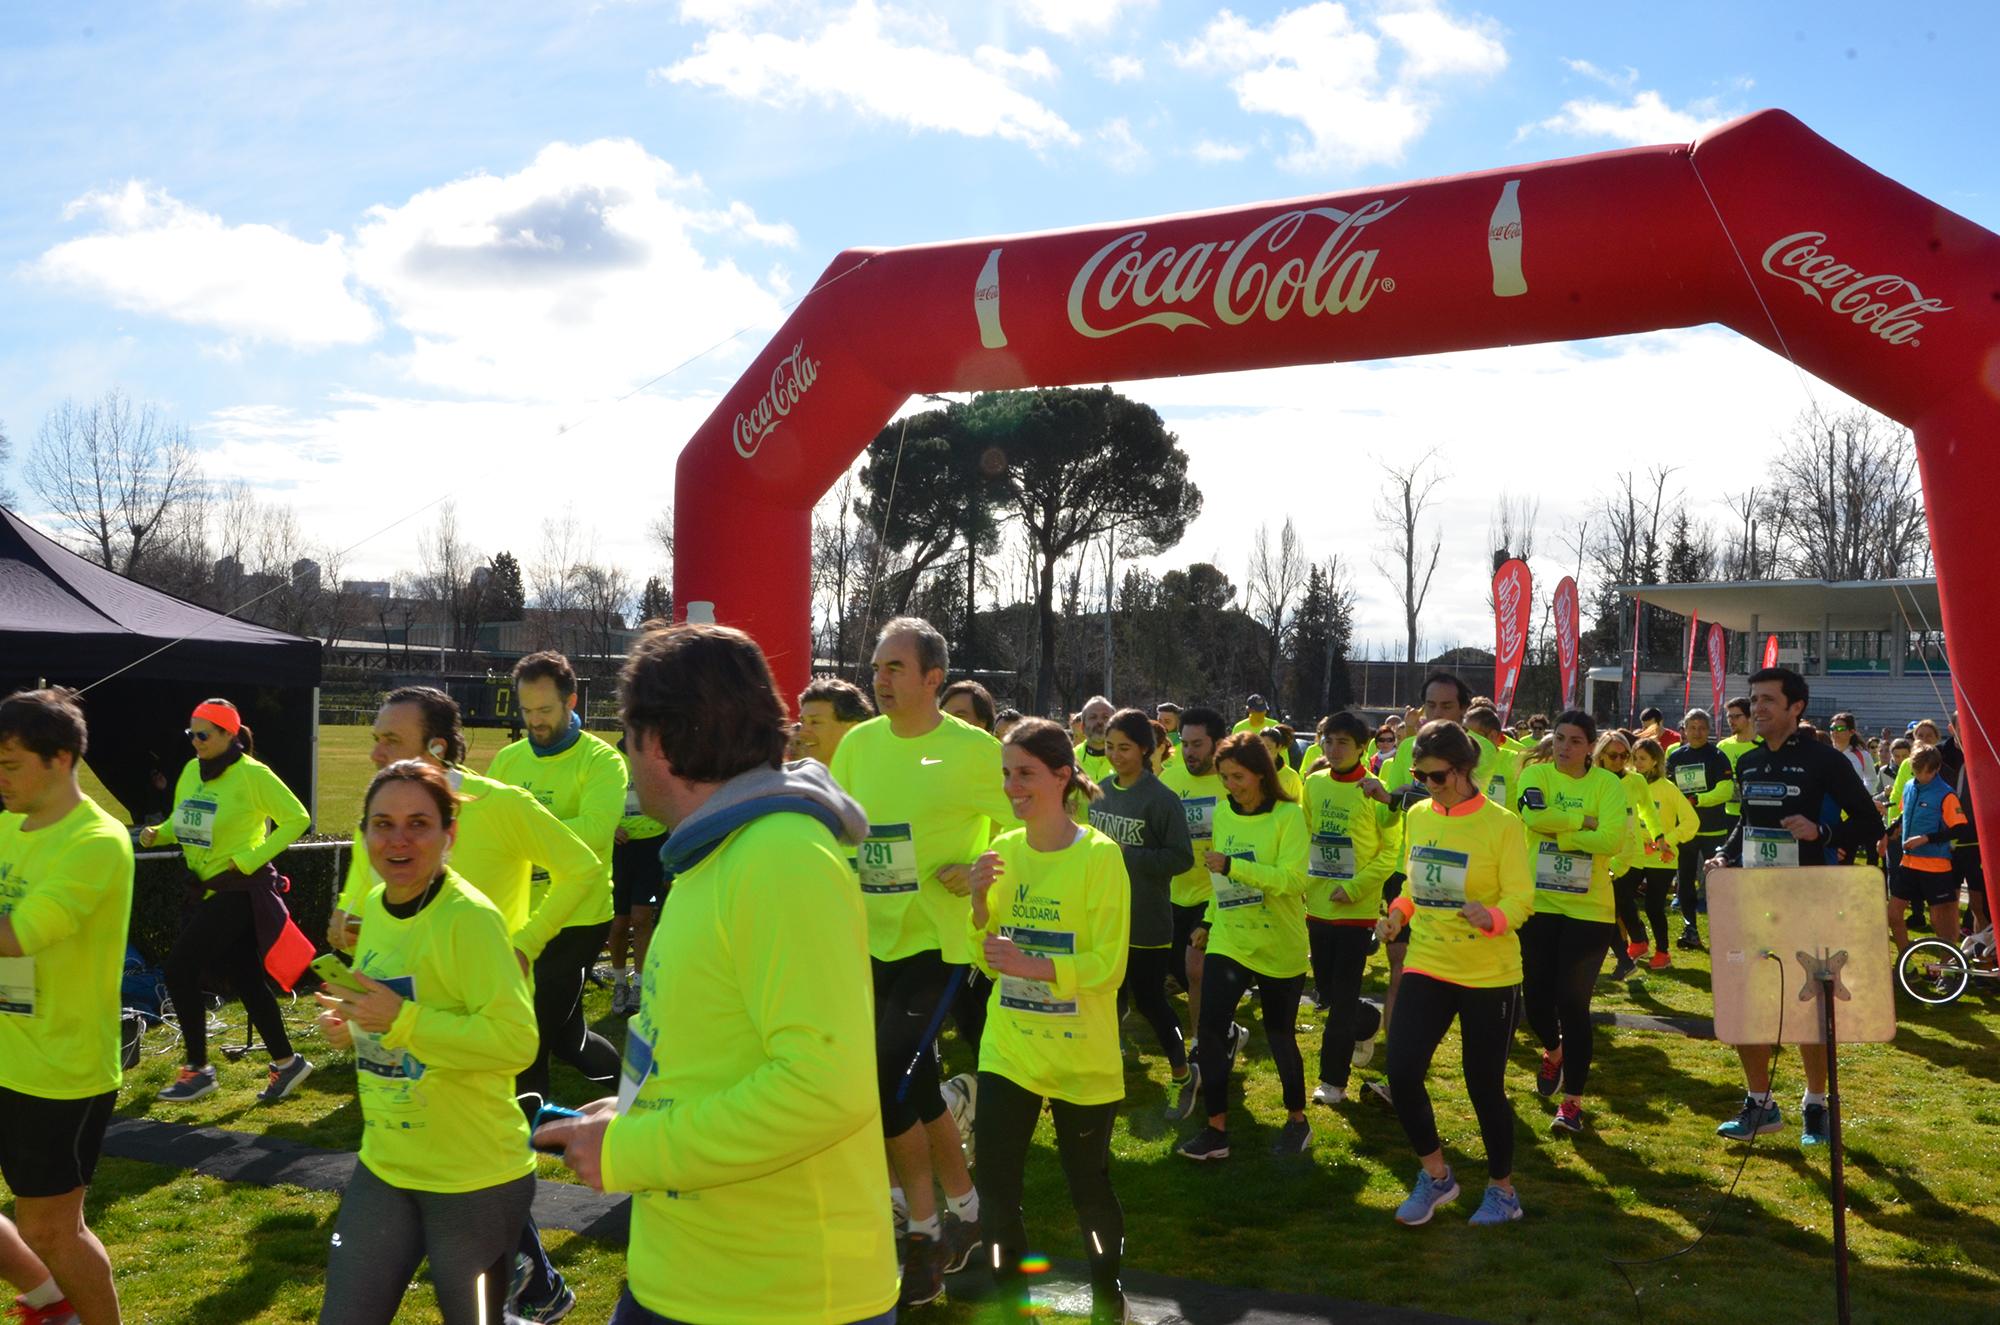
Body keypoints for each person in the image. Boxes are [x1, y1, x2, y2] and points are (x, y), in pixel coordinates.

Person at [533, 623, 897, 1325]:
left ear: (659, 742)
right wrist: (634, 1111)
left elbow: (823, 1086)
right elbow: (711, 1048)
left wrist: (634, 1146)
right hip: (690, 1277)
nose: (626, 758)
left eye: (626, 737)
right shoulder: (717, 853)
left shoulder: (779, 856)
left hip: (778, 1299)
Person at [324, 685, 606, 1320]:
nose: (374, 751)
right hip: (392, 1150)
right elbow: (365, 918)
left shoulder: (499, 813)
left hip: (486, 1035)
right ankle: (533, 1278)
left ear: (438, 749)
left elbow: (585, 869)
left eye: (389, 739)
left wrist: (524, 943)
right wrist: (354, 1019)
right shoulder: (387, 855)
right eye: (383, 826)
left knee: (500, 1119)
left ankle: (526, 1273)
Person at [828, 617, 1011, 1305]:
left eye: (895, 668)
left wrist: (984, 864)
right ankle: (967, 1207)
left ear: (934, 678)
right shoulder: (859, 746)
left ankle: (924, 1233)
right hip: (869, 939)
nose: (880, 678)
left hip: (938, 941)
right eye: (876, 666)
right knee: (918, 1080)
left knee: (888, 1079)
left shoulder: (971, 750)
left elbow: (1030, 815)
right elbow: (840, 829)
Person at [316, 760, 538, 1324]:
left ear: (450, 834)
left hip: (475, 1178)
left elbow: (517, 1042)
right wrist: (355, 1025)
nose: (398, 840)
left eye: (419, 823)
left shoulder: (471, 920)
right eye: (382, 823)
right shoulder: (372, 907)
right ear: (363, 832)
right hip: (386, 1166)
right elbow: (392, 1013)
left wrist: (404, 1020)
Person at [969, 720, 1132, 1325]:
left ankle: (1105, 1293)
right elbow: (982, 954)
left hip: (1080, 1052)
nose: (1013, 786)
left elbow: (1108, 967)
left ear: (1062, 777)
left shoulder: (1099, 856)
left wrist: (1033, 964)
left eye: (1026, 773)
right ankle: (1014, 1306)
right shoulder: (1003, 851)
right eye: (1007, 774)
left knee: (1087, 1185)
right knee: (996, 1190)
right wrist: (980, 904)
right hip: (1009, 1046)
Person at [0, 688, 133, 1325]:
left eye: (10, 764)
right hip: (4, 1049)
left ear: (60, 759)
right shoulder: (5, 825)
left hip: (58, 1068)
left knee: (53, 1228)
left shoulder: (97, 841)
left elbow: (15, 938)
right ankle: (53, 1301)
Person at [1712, 666, 1884, 1146]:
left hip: (1808, 900)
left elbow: (1870, 822)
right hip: (1752, 900)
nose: (1758, 708)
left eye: (1768, 700)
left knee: (1808, 1007)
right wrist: (1724, 853)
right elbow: (1746, 823)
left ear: (1796, 707)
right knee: (1744, 1004)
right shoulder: (1746, 762)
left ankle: (1815, 1105)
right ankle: (1760, 1104)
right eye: (1754, 699)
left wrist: (1822, 832)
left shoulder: (1824, 760)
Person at [1374, 720, 1532, 1228]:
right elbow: (1412, 883)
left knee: (1483, 1084)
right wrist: (1398, 912)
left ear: (1465, 770)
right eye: (1420, 777)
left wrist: (1496, 917)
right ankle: (1437, 1176)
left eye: (1437, 776)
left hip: (1489, 972)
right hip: (1428, 961)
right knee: (1400, 1072)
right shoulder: (1419, 815)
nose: (1429, 786)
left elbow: (1521, 897)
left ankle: (1503, 1190)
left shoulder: (1502, 824)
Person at [142, 697, 313, 1104]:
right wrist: (158, 833)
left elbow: (298, 818)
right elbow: (186, 821)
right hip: (205, 889)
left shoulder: (254, 775)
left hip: (239, 890)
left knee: (180, 968)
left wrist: (249, 859)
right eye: (191, 733)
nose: (195, 741)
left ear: (228, 735)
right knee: (248, 981)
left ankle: (198, 1070)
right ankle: (289, 1064)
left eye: (203, 734)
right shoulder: (189, 771)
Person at [485, 653, 627, 1124]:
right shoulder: (508, 759)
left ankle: (524, 1143)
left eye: (544, 710)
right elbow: (487, 827)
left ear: (571, 701)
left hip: (580, 917)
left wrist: (524, 834)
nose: (534, 721)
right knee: (571, 1041)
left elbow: (596, 828)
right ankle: (639, 1099)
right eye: (526, 711)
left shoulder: (602, 759)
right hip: (522, 916)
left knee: (529, 1034)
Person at [1177, 733, 1312, 1162]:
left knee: (1279, 1036)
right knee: (1211, 1032)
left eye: (1237, 777)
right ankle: (1216, 1130)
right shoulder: (1223, 813)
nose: (1230, 785)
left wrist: (1236, 865)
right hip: (1231, 939)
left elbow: (1293, 881)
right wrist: (1208, 922)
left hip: (1279, 942)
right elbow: (1222, 884)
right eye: (1224, 777)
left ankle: (1296, 1120)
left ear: (1260, 773)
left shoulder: (1289, 817)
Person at [1512, 711, 1628, 1135]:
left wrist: (1562, 835)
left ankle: (1573, 1103)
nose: (1564, 747)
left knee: (1573, 1003)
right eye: (1559, 738)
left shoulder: (1608, 785)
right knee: (1537, 998)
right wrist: (1585, 823)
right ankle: (1554, 1051)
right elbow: (1532, 818)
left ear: (1590, 747)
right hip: (1538, 903)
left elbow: (1613, 840)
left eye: (1575, 741)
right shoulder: (1536, 777)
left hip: (1589, 910)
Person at [1087, 709, 1194, 1094]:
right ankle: (1105, 1067)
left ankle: (1183, 1070)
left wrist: (1127, 856)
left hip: (1147, 919)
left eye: (1125, 748)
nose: (1116, 755)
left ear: (1146, 749)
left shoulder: (1162, 800)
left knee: (1150, 1001)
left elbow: (1182, 858)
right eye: (1110, 747)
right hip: (1103, 917)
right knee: (1105, 995)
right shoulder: (1099, 792)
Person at [1301, 711, 1395, 1106]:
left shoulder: (1376, 791)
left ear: (1362, 748)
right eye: (1328, 741)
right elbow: (1303, 835)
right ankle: (1368, 1020)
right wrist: (1303, 883)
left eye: (1343, 743)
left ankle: (1332, 1082)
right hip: (1317, 904)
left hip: (1356, 910)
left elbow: (1390, 852)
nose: (1334, 749)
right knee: (1326, 993)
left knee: (1339, 1002)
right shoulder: (1314, 783)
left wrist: (1355, 888)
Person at [1157, 705, 1232, 1120]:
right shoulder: (1170, 778)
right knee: (1183, 977)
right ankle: (1222, 1033)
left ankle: (1201, 1051)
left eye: (1197, 744)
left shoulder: (1231, 781)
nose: (1189, 752)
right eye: (1184, 743)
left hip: (1216, 893)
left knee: (1197, 969)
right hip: (1175, 892)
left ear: (1217, 743)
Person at [1665, 708, 1736, 951]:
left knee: (1717, 883)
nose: (1697, 732)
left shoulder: (1717, 756)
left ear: (1709, 731)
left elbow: (1726, 791)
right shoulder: (1675, 757)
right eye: (1692, 727)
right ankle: (1690, 928)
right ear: (1684, 730)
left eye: (1702, 728)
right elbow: (1667, 790)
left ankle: (1725, 932)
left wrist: (1698, 799)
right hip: (1685, 830)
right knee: (1684, 880)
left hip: (1713, 830)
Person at [608, 737, 668, 1017]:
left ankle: (640, 984)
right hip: (620, 849)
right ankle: (619, 982)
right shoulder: (608, 758)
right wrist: (610, 827)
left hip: (652, 847)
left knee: (642, 918)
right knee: (619, 923)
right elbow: (597, 799)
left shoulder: (660, 754)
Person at [1625, 738, 1698, 969]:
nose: (1638, 764)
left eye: (1643, 759)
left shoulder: (1668, 789)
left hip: (1661, 857)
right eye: (1634, 758)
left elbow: (1691, 821)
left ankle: (1662, 952)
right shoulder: (1629, 784)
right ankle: (1639, 940)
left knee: (1654, 907)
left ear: (1655, 761)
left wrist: (1667, 841)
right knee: (1621, 898)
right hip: (1633, 853)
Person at [1891, 746, 1966, 950]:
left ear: (1937, 769)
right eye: (1917, 772)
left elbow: (1960, 829)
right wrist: (1890, 831)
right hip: (1908, 862)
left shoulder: (1946, 794)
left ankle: (1948, 972)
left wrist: (1926, 838)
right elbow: (1905, 813)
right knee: (1893, 915)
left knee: (1939, 921)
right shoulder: (1908, 786)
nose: (1922, 777)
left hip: (1936, 867)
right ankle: (1906, 964)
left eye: (1928, 772)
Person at [797, 677, 875, 765]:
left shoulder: (878, 774)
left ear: (852, 729)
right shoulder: (792, 776)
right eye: (802, 722)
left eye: (815, 722)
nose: (802, 733)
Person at [1257, 726, 1304, 803]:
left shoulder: (1291, 776)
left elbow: (1299, 804)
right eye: (1261, 748)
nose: (1263, 752)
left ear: (1279, 747)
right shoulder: (1250, 772)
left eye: (1268, 748)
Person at [1075, 695, 1114, 783]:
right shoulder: (1071, 760)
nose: (1100, 722)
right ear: (1082, 727)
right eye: (1093, 717)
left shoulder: (1126, 760)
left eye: (1105, 717)